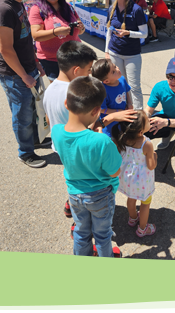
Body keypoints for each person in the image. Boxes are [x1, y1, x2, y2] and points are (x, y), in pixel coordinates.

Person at [43, 41, 138, 221]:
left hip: (61, 145)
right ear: (76, 70)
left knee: (73, 177)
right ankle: (84, 216)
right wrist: (110, 119)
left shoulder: (50, 90)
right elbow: (90, 124)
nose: (90, 75)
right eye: (88, 71)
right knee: (89, 183)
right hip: (82, 147)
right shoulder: (76, 94)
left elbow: (49, 121)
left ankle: (72, 204)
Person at [51, 76, 122, 257]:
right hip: (100, 195)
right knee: (102, 235)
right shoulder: (102, 141)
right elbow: (115, 172)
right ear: (96, 110)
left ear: (67, 103)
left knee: (81, 232)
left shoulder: (56, 131)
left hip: (74, 194)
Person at [0, 0, 52, 169]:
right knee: (22, 113)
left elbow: (25, 38)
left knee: (32, 108)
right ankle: (26, 152)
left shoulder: (18, 3)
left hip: (28, 68)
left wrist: (36, 61)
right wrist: (24, 75)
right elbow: (6, 49)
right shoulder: (4, 9)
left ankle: (35, 139)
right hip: (14, 74)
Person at [102, 0, 148, 110]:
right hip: (114, 52)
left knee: (134, 87)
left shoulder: (136, 10)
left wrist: (128, 33)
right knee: (120, 84)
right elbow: (109, 31)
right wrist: (106, 52)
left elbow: (144, 34)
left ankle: (138, 116)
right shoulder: (111, 8)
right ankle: (125, 112)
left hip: (132, 55)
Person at [28, 0, 85, 82]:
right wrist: (56, 32)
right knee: (60, 91)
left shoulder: (68, 7)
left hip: (76, 56)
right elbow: (36, 35)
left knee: (78, 88)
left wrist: (81, 28)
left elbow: (81, 32)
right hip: (53, 60)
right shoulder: (37, 9)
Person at [111, 110, 157, 237]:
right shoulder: (146, 144)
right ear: (141, 132)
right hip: (142, 182)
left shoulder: (122, 138)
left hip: (127, 179)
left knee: (131, 198)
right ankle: (142, 228)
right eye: (147, 121)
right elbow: (151, 165)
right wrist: (154, 156)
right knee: (145, 203)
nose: (149, 120)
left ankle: (132, 218)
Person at [91, 58, 133, 138]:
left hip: (122, 118)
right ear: (106, 81)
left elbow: (127, 91)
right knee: (113, 139)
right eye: (113, 72)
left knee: (122, 136)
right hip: (109, 123)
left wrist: (129, 103)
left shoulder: (122, 79)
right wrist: (117, 112)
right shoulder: (102, 91)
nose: (117, 69)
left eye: (115, 66)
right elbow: (102, 109)